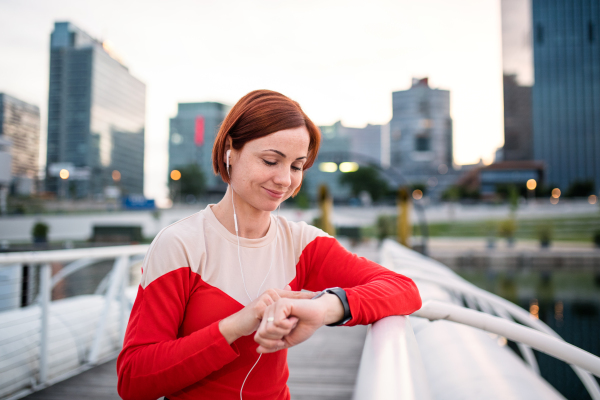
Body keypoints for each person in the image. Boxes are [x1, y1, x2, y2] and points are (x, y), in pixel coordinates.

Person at [116, 89, 422, 400]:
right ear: (229, 151)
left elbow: (403, 289)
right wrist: (236, 326)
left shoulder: (303, 243)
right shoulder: (179, 244)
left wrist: (324, 307)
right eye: (271, 160)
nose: (284, 180)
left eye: (296, 166)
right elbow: (133, 380)